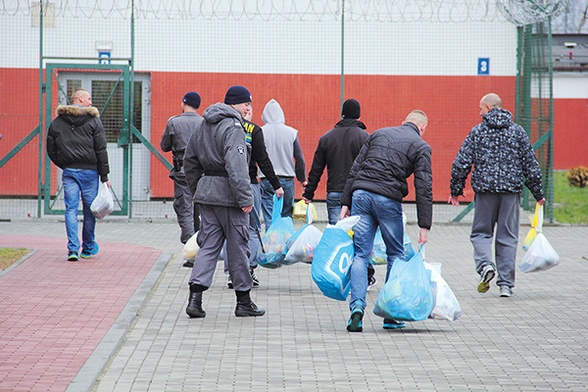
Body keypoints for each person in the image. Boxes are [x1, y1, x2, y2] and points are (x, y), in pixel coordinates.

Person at [340, 110, 432, 332]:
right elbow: (424, 187)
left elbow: (356, 168)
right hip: (388, 199)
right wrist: (424, 225)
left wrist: (345, 202)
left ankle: (357, 308)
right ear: (422, 128)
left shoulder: (378, 134)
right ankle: (390, 313)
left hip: (360, 195)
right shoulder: (421, 147)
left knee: (361, 254)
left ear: (403, 122)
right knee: (395, 254)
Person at [449, 93, 545, 298]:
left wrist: (456, 190)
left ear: (490, 108)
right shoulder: (517, 132)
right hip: (510, 193)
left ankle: (485, 266)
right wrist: (538, 193)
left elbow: (461, 162)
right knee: (508, 237)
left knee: (480, 233)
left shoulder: (478, 131)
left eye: (481, 108)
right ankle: (506, 285)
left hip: (485, 193)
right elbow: (530, 164)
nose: (479, 112)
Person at [183, 95, 265, 319]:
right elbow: (237, 165)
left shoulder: (203, 124)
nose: (248, 107)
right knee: (238, 247)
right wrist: (245, 198)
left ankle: (195, 299)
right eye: (245, 103)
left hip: (207, 194)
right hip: (230, 197)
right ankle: (244, 302)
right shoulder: (235, 126)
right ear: (234, 105)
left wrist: (198, 189)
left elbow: (189, 160)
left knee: (208, 246)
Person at [302, 98, 376, 290]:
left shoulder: (327, 137)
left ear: (342, 114)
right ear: (359, 115)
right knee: (361, 237)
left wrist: (309, 192)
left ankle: (339, 275)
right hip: (359, 194)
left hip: (335, 193)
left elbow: (316, 169)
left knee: (339, 236)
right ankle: (365, 277)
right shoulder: (366, 138)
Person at [222, 85, 284, 288]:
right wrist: (276, 185)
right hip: (249, 184)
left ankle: (232, 273)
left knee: (229, 230)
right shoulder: (254, 130)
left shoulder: (218, 126)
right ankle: (248, 270)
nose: (248, 107)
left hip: (224, 185)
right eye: (246, 104)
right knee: (251, 228)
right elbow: (263, 160)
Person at [47, 88, 110, 262]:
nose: (91, 102)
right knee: (90, 210)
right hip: (90, 172)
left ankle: (72, 250)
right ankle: (88, 248)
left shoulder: (57, 122)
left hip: (69, 172)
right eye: (88, 98)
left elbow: (51, 149)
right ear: (80, 100)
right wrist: (104, 175)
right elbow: (101, 149)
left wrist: (65, 164)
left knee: (71, 210)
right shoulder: (93, 121)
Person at [160, 91, 204, 268]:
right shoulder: (204, 122)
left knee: (184, 208)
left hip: (182, 171)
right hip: (201, 171)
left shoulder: (174, 122)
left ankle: (191, 251)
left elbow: (164, 146)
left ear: (183, 103)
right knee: (198, 210)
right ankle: (201, 247)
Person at [258, 99, 307, 230]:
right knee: (286, 216)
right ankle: (285, 244)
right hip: (287, 180)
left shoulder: (260, 132)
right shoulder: (291, 133)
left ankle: (270, 245)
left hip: (266, 180)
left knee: (269, 216)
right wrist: (302, 179)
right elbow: (299, 158)